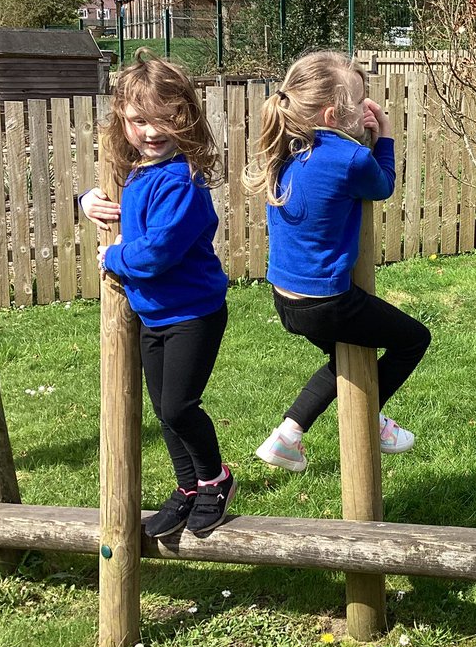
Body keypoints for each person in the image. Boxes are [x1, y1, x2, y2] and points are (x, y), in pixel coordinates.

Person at [246, 50, 430, 473]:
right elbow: (381, 186)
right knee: (413, 339)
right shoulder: (351, 158)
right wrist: (383, 133)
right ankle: (373, 419)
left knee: (344, 365)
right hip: (328, 301)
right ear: (334, 114)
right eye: (361, 100)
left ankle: (288, 435)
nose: (366, 106)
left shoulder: (286, 151)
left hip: (286, 301)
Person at [80, 50, 235, 537]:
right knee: (164, 411)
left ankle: (216, 478)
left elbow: (156, 253)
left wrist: (113, 259)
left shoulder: (183, 183)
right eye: (138, 120)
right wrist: (85, 199)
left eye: (164, 119)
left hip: (193, 313)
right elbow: (116, 200)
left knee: (178, 407)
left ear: (185, 116)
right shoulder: (139, 171)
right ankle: (188, 488)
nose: (150, 131)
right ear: (122, 120)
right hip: (154, 315)